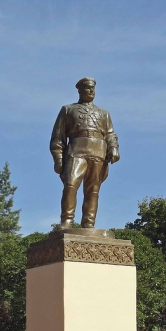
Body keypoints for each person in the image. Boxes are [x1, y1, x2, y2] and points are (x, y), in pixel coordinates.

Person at [50, 77, 119, 229]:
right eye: (88, 87)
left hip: (98, 152)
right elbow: (58, 137)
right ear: (80, 90)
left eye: (93, 88)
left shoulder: (104, 113)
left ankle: (89, 222)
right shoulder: (68, 109)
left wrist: (113, 147)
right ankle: (67, 220)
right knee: (70, 184)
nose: (91, 90)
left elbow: (110, 134)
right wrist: (58, 159)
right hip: (77, 151)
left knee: (93, 190)